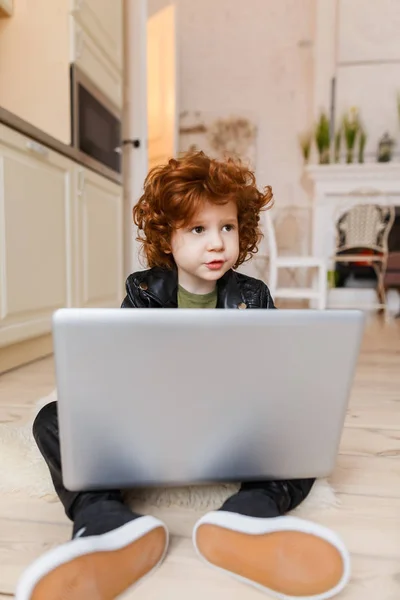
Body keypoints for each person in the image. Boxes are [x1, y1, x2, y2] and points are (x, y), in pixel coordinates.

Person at [16, 151, 350, 600]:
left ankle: (250, 513)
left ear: (241, 231)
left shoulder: (253, 294)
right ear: (167, 239)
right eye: (198, 229)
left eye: (226, 227)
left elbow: (272, 375)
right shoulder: (143, 289)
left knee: (307, 418)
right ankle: (103, 521)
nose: (216, 243)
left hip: (232, 429)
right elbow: (120, 371)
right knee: (54, 418)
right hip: (150, 426)